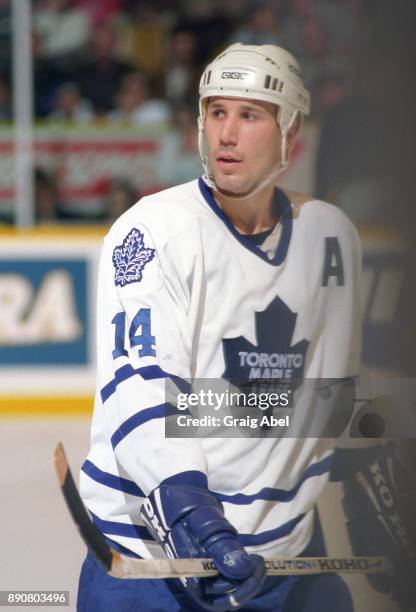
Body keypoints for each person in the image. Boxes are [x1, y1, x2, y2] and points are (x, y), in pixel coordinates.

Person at [77, 43, 412, 611]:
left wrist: (365, 481)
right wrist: (189, 511)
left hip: (288, 557)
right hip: (157, 560)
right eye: (216, 112)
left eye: (250, 115)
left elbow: (332, 393)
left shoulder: (330, 236)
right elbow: (140, 388)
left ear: (292, 132)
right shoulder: (153, 231)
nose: (226, 134)